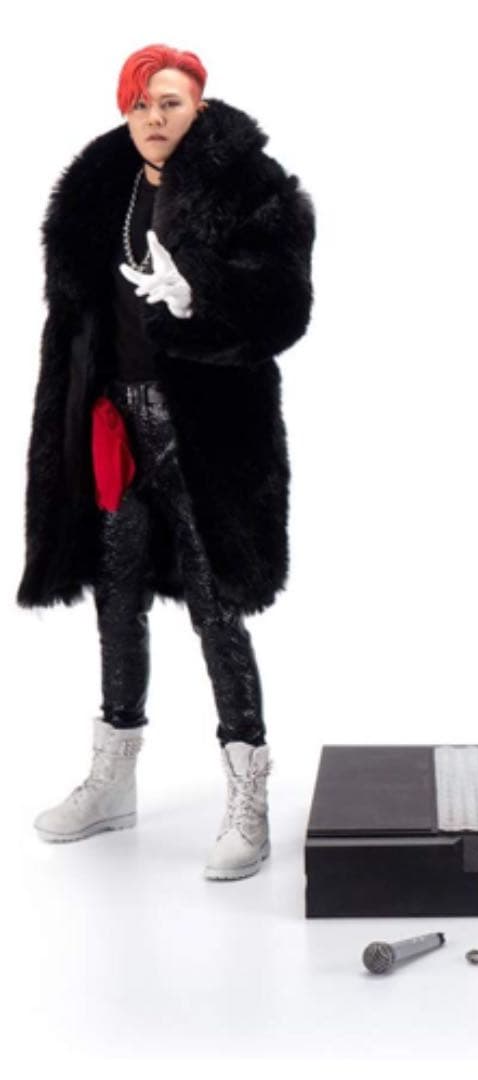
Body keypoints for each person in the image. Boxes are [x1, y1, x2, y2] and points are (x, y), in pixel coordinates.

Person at [17, 43, 315, 880]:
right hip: (115, 425)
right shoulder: (98, 192)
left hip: (204, 436)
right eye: (141, 104)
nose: (155, 117)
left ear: (198, 107)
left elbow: (285, 310)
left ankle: (247, 792)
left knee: (215, 605)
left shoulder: (251, 190)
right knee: (116, 595)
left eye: (171, 102)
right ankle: (112, 779)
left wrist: (201, 296)